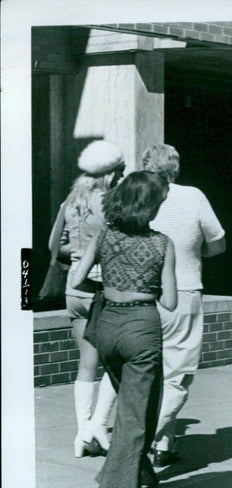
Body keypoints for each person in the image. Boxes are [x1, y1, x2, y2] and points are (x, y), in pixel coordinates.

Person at [69, 171, 177, 488]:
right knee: (134, 420)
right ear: (150, 207)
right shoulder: (163, 244)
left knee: (141, 409)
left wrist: (110, 283)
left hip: (107, 329)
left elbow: (77, 280)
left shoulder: (105, 235)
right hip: (142, 328)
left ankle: (136, 478)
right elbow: (170, 300)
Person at [143, 144, 226, 467]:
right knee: (176, 375)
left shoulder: (132, 191)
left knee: (149, 373)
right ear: (174, 168)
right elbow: (218, 243)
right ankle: (144, 440)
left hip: (140, 294)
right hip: (183, 290)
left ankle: (164, 443)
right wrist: (193, 254)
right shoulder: (192, 195)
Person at [48, 140, 126, 458]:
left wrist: (78, 253)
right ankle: (98, 426)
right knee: (114, 362)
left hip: (73, 291)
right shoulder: (112, 202)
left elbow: (55, 247)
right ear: (108, 174)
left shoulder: (71, 201)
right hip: (101, 289)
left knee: (85, 363)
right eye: (119, 172)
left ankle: (82, 432)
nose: (122, 177)